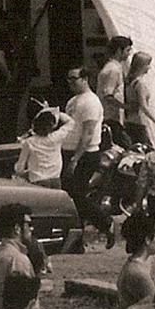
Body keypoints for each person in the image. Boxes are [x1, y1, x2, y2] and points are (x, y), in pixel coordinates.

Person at [61, 66, 109, 253]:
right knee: (71, 195)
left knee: (77, 195)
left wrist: (75, 158)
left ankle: (104, 222)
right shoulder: (73, 101)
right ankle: (77, 239)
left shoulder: (91, 102)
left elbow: (88, 132)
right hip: (68, 150)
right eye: (69, 79)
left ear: (85, 79)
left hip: (85, 153)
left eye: (74, 78)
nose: (70, 82)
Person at [14, 109, 71, 188]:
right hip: (55, 179)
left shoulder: (29, 142)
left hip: (38, 181)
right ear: (52, 126)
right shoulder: (56, 138)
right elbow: (70, 122)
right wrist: (56, 112)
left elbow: (20, 168)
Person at [122, 50, 155, 149]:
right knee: (146, 148)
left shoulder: (129, 82)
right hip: (139, 121)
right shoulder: (140, 84)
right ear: (142, 66)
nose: (149, 67)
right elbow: (143, 106)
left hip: (129, 120)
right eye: (148, 65)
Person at [96, 35, 133, 126]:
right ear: (119, 51)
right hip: (110, 117)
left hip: (113, 116)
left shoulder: (115, 67)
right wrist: (126, 107)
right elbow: (108, 96)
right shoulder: (113, 70)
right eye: (127, 50)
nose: (129, 54)